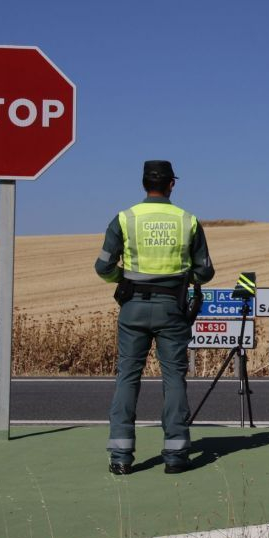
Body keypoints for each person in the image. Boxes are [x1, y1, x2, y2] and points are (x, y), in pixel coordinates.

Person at [95, 160, 215, 475]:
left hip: (132, 306)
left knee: (127, 377)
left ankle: (121, 456)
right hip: (172, 309)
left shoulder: (125, 218)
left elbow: (103, 267)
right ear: (172, 185)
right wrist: (185, 275)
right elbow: (205, 271)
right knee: (174, 378)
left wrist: (124, 279)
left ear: (143, 183)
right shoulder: (187, 220)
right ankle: (176, 455)